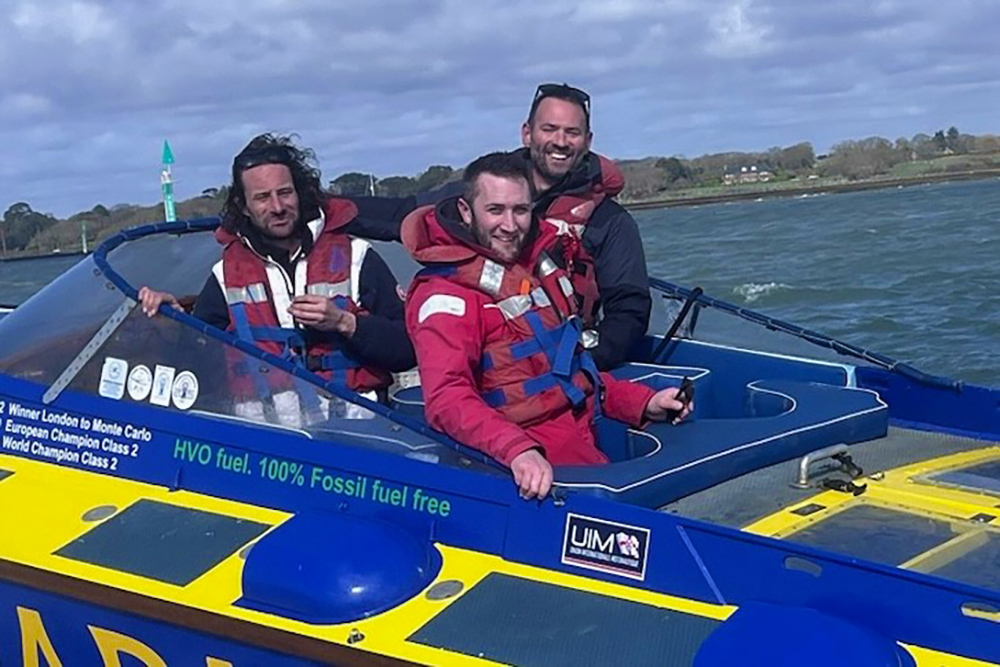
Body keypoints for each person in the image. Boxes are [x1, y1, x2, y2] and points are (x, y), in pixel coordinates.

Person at [404, 152, 691, 499]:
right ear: (467, 212)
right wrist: (517, 449)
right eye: (495, 210)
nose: (510, 225)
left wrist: (643, 403)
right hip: (528, 478)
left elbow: (572, 372)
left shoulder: (536, 270)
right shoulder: (445, 295)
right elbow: (446, 400)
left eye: (520, 210)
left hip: (585, 452)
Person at [139, 134, 414, 417]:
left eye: (284, 193)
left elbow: (407, 351)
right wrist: (176, 326)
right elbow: (197, 366)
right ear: (244, 207)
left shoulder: (357, 257)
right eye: (262, 198)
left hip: (357, 435)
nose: (278, 207)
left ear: (300, 193)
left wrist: (345, 322)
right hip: (266, 443)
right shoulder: (225, 276)